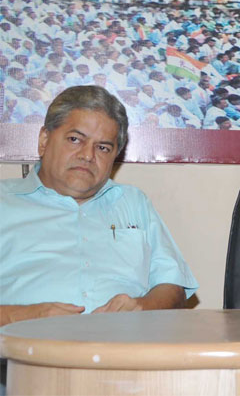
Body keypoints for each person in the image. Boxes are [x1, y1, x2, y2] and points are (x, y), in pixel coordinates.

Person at [0, 86, 197, 326]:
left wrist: (143, 308)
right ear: (44, 140)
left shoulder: (133, 202)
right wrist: (27, 317)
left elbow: (173, 287)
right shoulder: (4, 202)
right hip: (23, 355)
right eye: (75, 140)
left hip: (125, 352)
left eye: (102, 147)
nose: (87, 155)